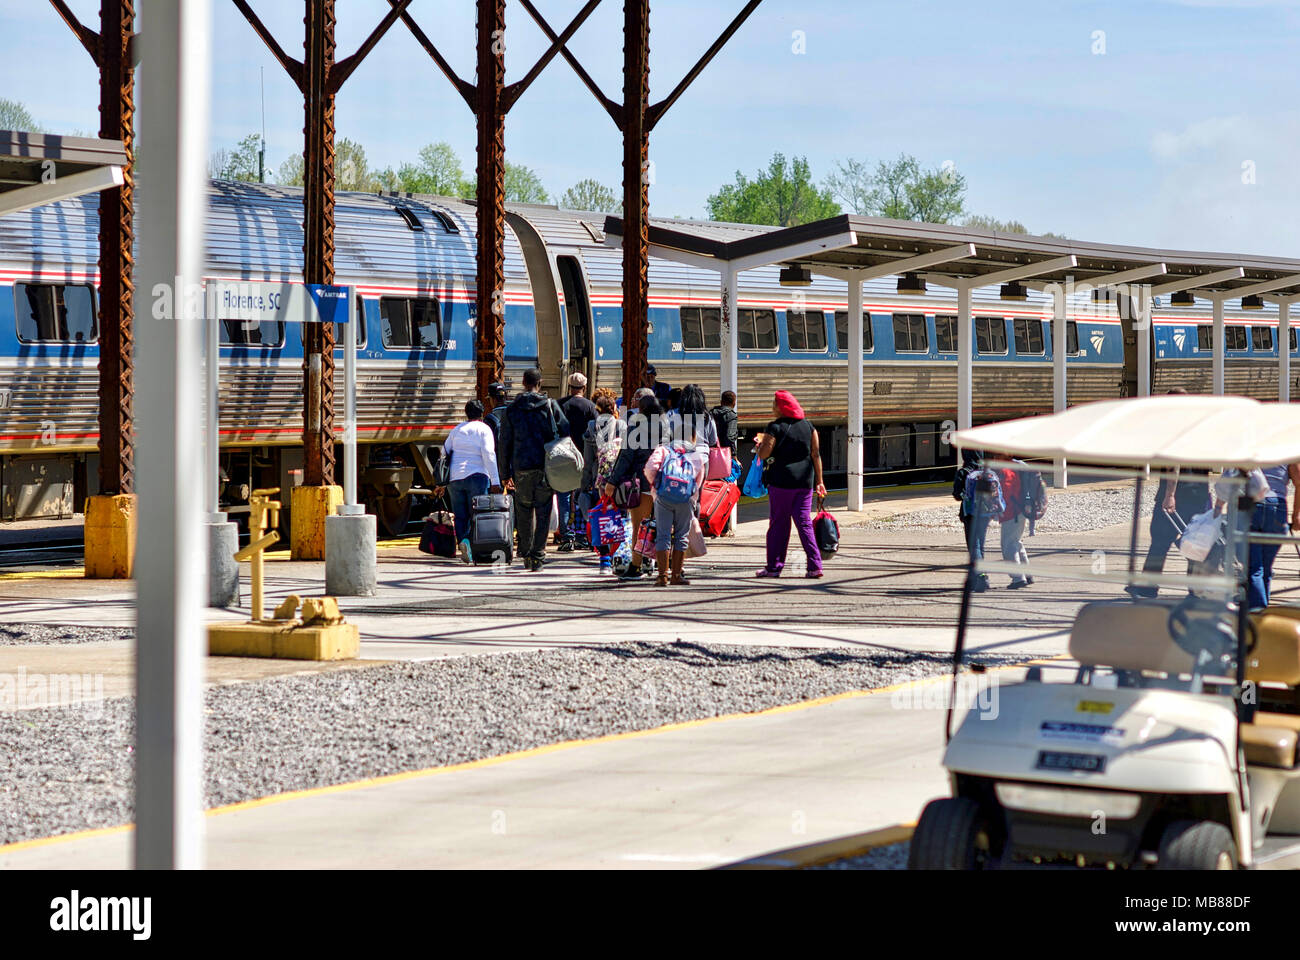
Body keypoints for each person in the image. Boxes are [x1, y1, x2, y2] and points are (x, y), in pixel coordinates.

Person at [499, 367, 569, 571]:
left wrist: (505, 474)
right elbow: (565, 430)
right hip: (545, 466)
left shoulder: (511, 410)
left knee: (523, 511)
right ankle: (538, 555)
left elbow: (504, 443)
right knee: (544, 510)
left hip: (521, 468)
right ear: (540, 383)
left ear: (523, 382)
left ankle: (526, 552)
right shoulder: (550, 405)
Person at [754, 390, 826, 579]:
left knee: (779, 524)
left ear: (781, 407)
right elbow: (816, 454)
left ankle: (774, 567)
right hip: (804, 482)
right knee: (804, 523)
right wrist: (820, 482)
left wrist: (759, 444)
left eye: (775, 403)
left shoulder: (774, 427)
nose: (772, 407)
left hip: (781, 483)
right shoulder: (809, 426)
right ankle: (815, 566)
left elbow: (764, 454)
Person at [605, 393, 665, 580]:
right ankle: (660, 564)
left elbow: (626, 457)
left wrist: (612, 481)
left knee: (640, 527)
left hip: (642, 484)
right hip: (663, 485)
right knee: (662, 527)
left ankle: (636, 565)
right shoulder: (667, 427)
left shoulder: (636, 427)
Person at [440, 399, 503, 563]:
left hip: (455, 478)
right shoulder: (484, 429)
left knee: (460, 516)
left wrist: (441, 482)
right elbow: (489, 454)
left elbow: (444, 452)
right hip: (477, 476)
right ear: (482, 414)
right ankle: (476, 548)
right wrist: (495, 480)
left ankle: (464, 542)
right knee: (477, 515)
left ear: (466, 413)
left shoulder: (456, 430)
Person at [643, 434, 705, 587]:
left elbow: (650, 468)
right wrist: (692, 496)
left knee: (663, 535)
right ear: (692, 439)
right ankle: (676, 575)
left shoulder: (663, 450)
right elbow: (699, 479)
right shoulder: (696, 455)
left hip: (663, 498)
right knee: (681, 536)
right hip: (685, 500)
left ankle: (662, 576)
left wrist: (656, 487)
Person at [583, 388, 626, 575]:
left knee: (602, 517)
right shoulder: (622, 426)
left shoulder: (592, 426)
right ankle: (620, 557)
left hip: (599, 478)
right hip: (619, 477)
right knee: (620, 517)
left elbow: (588, 459)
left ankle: (604, 560)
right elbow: (626, 455)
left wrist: (585, 483)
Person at [556, 372, 598, 552]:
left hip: (563, 456)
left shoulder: (559, 405)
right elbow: (597, 433)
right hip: (583, 457)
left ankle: (566, 537)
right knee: (582, 495)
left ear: (569, 387)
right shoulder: (590, 407)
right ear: (585, 387)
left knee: (564, 496)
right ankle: (581, 535)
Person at [483, 381, 508, 461]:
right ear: (505, 397)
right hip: (515, 464)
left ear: (492, 399)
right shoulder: (514, 414)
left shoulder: (489, 419)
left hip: (498, 462)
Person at [711, 391, 739, 455]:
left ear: (721, 402)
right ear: (734, 403)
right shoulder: (731, 415)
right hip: (725, 454)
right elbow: (730, 437)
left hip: (711, 453)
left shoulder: (711, 413)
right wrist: (734, 454)